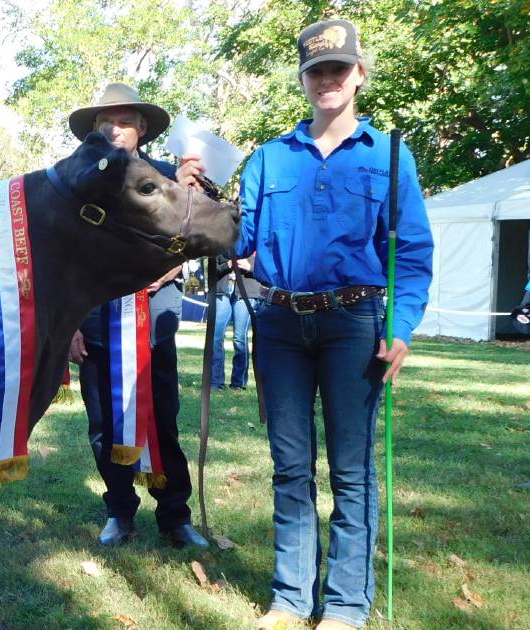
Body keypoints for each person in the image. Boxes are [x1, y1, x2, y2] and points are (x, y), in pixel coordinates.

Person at [236, 20, 433, 630]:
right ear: (303, 80)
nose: (328, 80)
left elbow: (412, 253)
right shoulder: (266, 159)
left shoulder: (391, 157)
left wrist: (398, 328)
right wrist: (196, 196)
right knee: (290, 465)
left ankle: (346, 605)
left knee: (353, 469)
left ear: (359, 77)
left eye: (338, 70)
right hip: (279, 324)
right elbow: (238, 239)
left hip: (356, 324)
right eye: (316, 71)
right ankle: (290, 599)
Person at [67, 82, 210, 549]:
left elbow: (202, 238)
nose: (114, 128)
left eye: (124, 120)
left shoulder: (174, 179)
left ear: (143, 128)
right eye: (105, 121)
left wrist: (191, 204)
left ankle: (175, 516)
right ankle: (119, 512)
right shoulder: (73, 184)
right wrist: (67, 323)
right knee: (104, 427)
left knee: (162, 420)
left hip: (153, 325)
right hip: (95, 324)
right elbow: (63, 260)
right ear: (93, 129)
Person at [211, 255, 261, 390]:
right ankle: (215, 382)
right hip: (222, 292)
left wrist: (250, 266)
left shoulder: (254, 238)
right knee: (215, 336)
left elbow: (267, 267)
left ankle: (238, 383)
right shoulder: (219, 242)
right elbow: (212, 269)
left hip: (248, 291)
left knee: (240, 338)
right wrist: (227, 265)